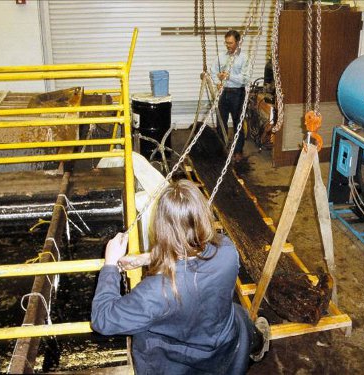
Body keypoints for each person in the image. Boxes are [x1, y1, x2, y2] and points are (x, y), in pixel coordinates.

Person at [91, 179, 270, 374]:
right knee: (241, 318)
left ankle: (257, 343)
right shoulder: (227, 250)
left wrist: (110, 265)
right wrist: (148, 258)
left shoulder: (154, 292)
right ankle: (258, 345)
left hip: (174, 360)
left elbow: (102, 320)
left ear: (161, 229)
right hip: (221, 342)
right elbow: (193, 255)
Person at [210, 29, 251, 162]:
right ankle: (221, 149)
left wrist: (229, 76)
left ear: (238, 42)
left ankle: (238, 151)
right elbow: (213, 71)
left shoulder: (244, 58)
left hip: (237, 93)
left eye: (231, 43)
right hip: (223, 92)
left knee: (237, 122)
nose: (228, 45)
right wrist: (217, 83)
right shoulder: (221, 56)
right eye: (226, 43)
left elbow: (245, 78)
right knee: (220, 122)